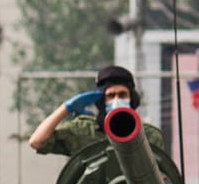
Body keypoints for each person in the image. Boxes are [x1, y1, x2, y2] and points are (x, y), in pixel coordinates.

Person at [28, 65, 164, 156]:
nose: (117, 100)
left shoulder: (149, 136)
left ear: (132, 99)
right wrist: (66, 108)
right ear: (101, 101)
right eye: (111, 95)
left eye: (122, 95)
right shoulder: (82, 130)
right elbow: (37, 142)